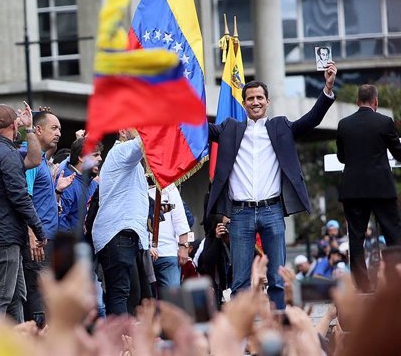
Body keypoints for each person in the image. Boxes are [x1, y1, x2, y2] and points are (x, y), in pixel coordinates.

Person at [206, 62, 337, 309]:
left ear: (268, 102)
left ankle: (279, 327)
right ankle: (241, 335)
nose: (255, 102)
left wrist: (328, 88)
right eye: (250, 98)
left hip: (272, 212)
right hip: (240, 214)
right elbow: (198, 129)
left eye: (259, 98)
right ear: (244, 103)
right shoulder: (230, 129)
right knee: (240, 281)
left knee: (277, 277)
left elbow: (311, 120)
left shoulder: (281, 127)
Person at [0, 104, 46, 323]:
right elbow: (20, 197)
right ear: (14, 125)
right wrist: (39, 229)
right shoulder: (7, 154)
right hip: (5, 235)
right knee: (1, 298)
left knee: (15, 296)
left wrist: (30, 129)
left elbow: (34, 159)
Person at [336, 84, 401, 292]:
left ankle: (363, 286)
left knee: (356, 237)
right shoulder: (384, 122)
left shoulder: (344, 124)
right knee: (393, 234)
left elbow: (341, 157)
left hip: (353, 190)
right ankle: (394, 281)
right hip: (381, 188)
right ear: (376, 101)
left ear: (357, 101)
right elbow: (398, 153)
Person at [23, 111, 75, 321]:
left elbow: (40, 199)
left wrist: (57, 192)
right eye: (54, 128)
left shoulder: (42, 160)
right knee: (39, 302)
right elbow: (25, 198)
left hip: (48, 238)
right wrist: (31, 234)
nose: (58, 133)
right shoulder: (30, 158)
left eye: (60, 129)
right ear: (38, 130)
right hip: (38, 240)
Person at [92, 129, 149, 315]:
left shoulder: (127, 158)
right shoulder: (121, 151)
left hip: (122, 235)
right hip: (118, 234)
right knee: (120, 293)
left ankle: (120, 340)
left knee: (129, 294)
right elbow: (143, 142)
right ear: (123, 130)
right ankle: (119, 342)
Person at [148, 184, 191, 291]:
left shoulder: (168, 185)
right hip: (143, 253)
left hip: (167, 252)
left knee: (173, 299)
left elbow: (179, 218)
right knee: (147, 302)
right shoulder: (135, 180)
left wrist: (183, 246)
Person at [59, 137, 102, 233]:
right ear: (81, 157)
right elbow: (60, 219)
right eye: (95, 155)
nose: (100, 159)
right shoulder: (66, 182)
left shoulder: (94, 184)